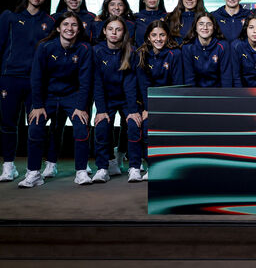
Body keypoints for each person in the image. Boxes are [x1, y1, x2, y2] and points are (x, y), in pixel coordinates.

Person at [0, 0, 54, 182]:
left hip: (36, 82)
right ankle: (9, 166)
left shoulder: (49, 22)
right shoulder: (10, 16)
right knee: (8, 123)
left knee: (36, 125)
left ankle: (33, 170)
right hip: (10, 78)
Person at [18, 12, 93, 188]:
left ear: (79, 28)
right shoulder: (45, 47)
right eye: (66, 24)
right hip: (48, 96)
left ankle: (81, 171)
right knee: (36, 126)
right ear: (58, 28)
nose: (70, 28)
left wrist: (81, 107)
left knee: (81, 127)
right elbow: (36, 78)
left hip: (72, 96)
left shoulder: (84, 49)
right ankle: (34, 174)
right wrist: (37, 105)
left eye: (74, 25)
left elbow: (85, 81)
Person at [91, 16, 141, 183]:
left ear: (123, 33)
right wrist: (101, 110)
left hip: (126, 99)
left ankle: (134, 167)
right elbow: (97, 83)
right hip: (107, 99)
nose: (114, 32)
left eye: (118, 29)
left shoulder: (131, 52)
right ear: (104, 31)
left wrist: (133, 111)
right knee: (102, 125)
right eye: (110, 29)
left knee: (134, 125)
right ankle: (103, 168)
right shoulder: (97, 51)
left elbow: (130, 83)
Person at [135, 20, 183, 181]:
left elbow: (176, 85)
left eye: (162, 35)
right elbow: (144, 86)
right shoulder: (141, 54)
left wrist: (166, 109)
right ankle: (152, 166)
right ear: (148, 38)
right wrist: (149, 108)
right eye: (154, 35)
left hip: (170, 103)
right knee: (148, 126)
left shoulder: (175, 54)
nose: (158, 39)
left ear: (167, 36)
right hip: (149, 103)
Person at [181, 12, 232, 87]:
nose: (205, 27)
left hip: (218, 93)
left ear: (214, 27)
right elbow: (189, 79)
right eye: (201, 24)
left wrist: (225, 97)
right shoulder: (188, 48)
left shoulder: (222, 46)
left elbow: (226, 78)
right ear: (195, 27)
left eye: (209, 24)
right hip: (196, 94)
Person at [231, 15, 256, 87]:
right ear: (246, 29)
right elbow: (236, 77)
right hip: (244, 91)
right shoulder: (237, 46)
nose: (255, 31)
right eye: (251, 27)